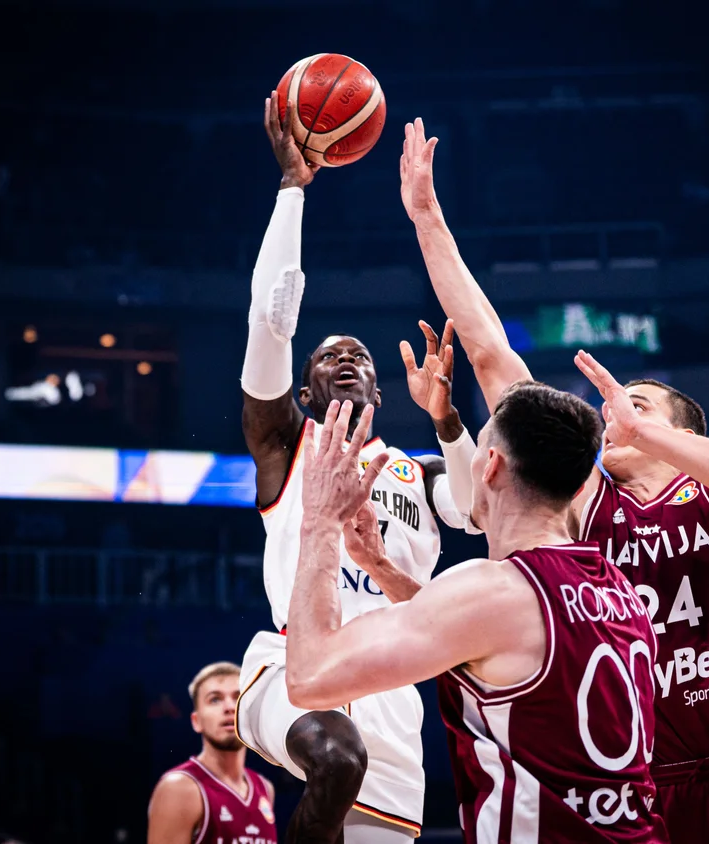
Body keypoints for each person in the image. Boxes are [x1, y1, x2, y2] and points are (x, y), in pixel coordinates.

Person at [399, 117, 709, 844]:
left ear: (681, 432)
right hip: (651, 784)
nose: (616, 414)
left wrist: (647, 430)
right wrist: (428, 217)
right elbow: (487, 350)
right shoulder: (581, 500)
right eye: (617, 406)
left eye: (639, 401)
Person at [235, 92, 479, 844]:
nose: (344, 359)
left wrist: (448, 421)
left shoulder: (419, 472)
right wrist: (291, 192)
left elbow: (477, 510)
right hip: (293, 657)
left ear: (380, 389)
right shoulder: (285, 445)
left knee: (363, 796)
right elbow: (271, 323)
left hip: (390, 682)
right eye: (327, 358)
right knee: (337, 758)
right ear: (306, 391)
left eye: (359, 357)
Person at [285, 392, 669, 843]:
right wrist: (380, 566)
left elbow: (309, 676)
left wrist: (320, 520)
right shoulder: (619, 587)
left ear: (490, 465)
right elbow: (479, 640)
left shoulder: (493, 590)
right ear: (581, 485)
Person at [147, 662, 277, 844]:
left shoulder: (265, 788)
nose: (229, 707)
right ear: (196, 721)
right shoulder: (179, 788)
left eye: (238, 697)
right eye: (215, 699)